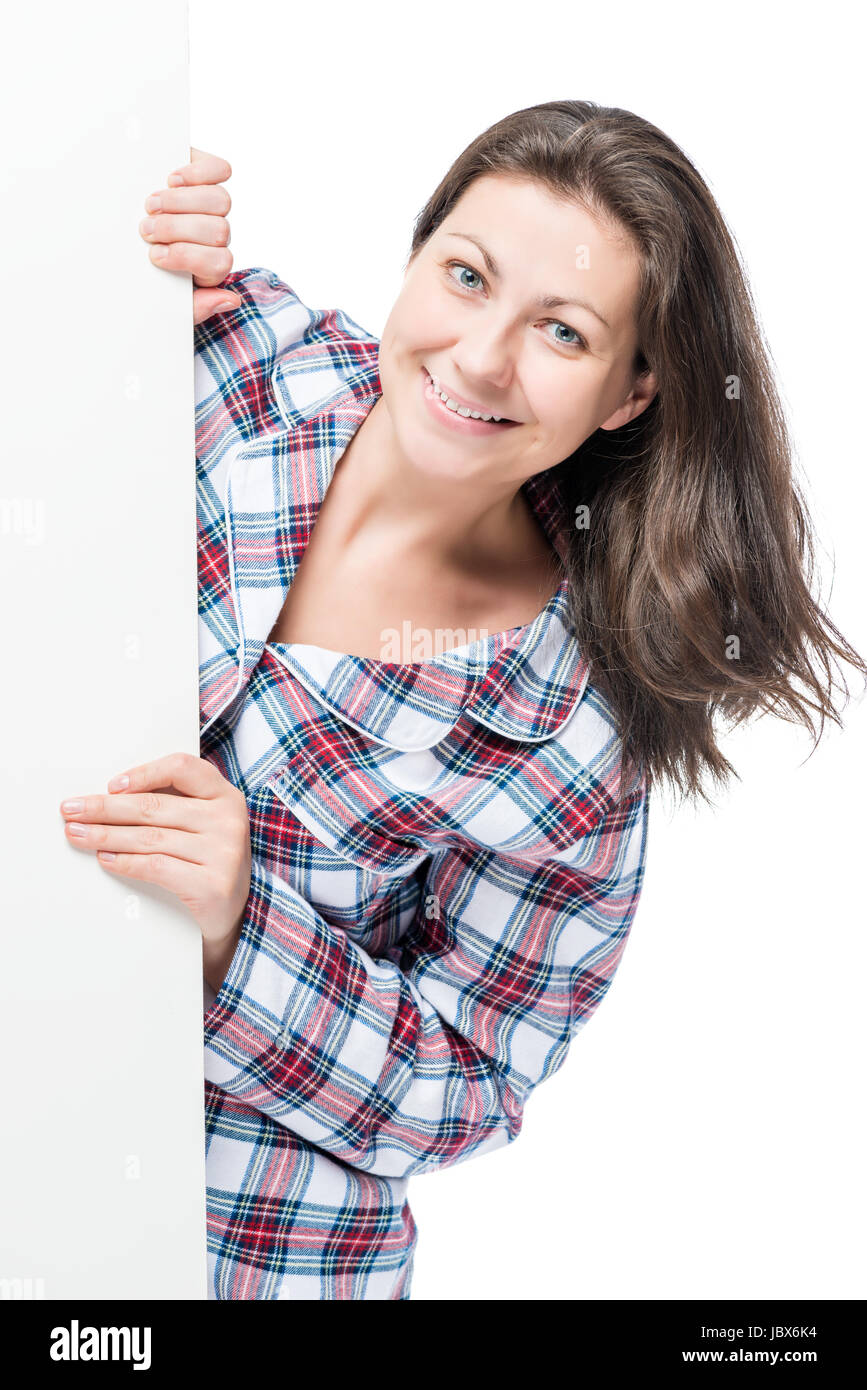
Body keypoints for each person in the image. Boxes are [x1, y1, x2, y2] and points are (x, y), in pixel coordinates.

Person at [61, 100, 866, 1300]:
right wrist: (71, 245)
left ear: (630, 392)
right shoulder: (225, 349)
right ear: (415, 257)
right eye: (468, 274)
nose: (481, 357)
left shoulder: (571, 740)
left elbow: (466, 1086)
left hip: (234, 1255)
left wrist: (239, 926)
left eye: (561, 331)